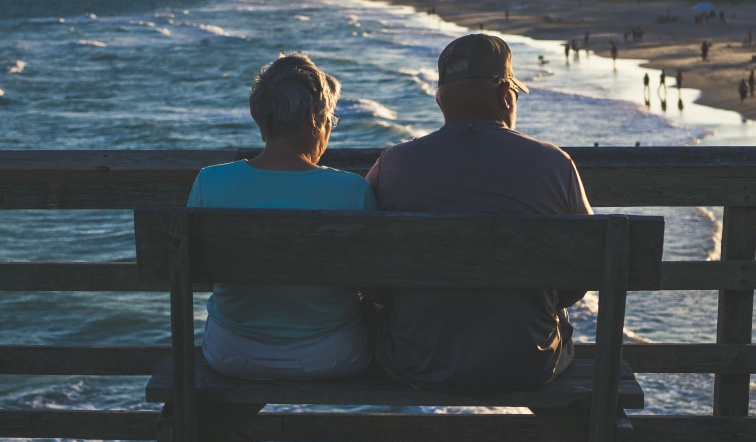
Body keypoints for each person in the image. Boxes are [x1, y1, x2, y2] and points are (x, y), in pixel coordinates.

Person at [365, 34, 593, 392]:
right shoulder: (555, 164)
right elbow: (585, 268)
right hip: (528, 363)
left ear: (441, 100)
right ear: (505, 96)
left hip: (417, 362)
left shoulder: (391, 165)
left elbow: (367, 272)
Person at [188, 53, 376, 380]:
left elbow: (198, 274)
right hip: (332, 356)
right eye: (330, 119)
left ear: (260, 118)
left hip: (231, 354)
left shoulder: (209, 182)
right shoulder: (352, 190)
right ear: (312, 117)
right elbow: (375, 286)